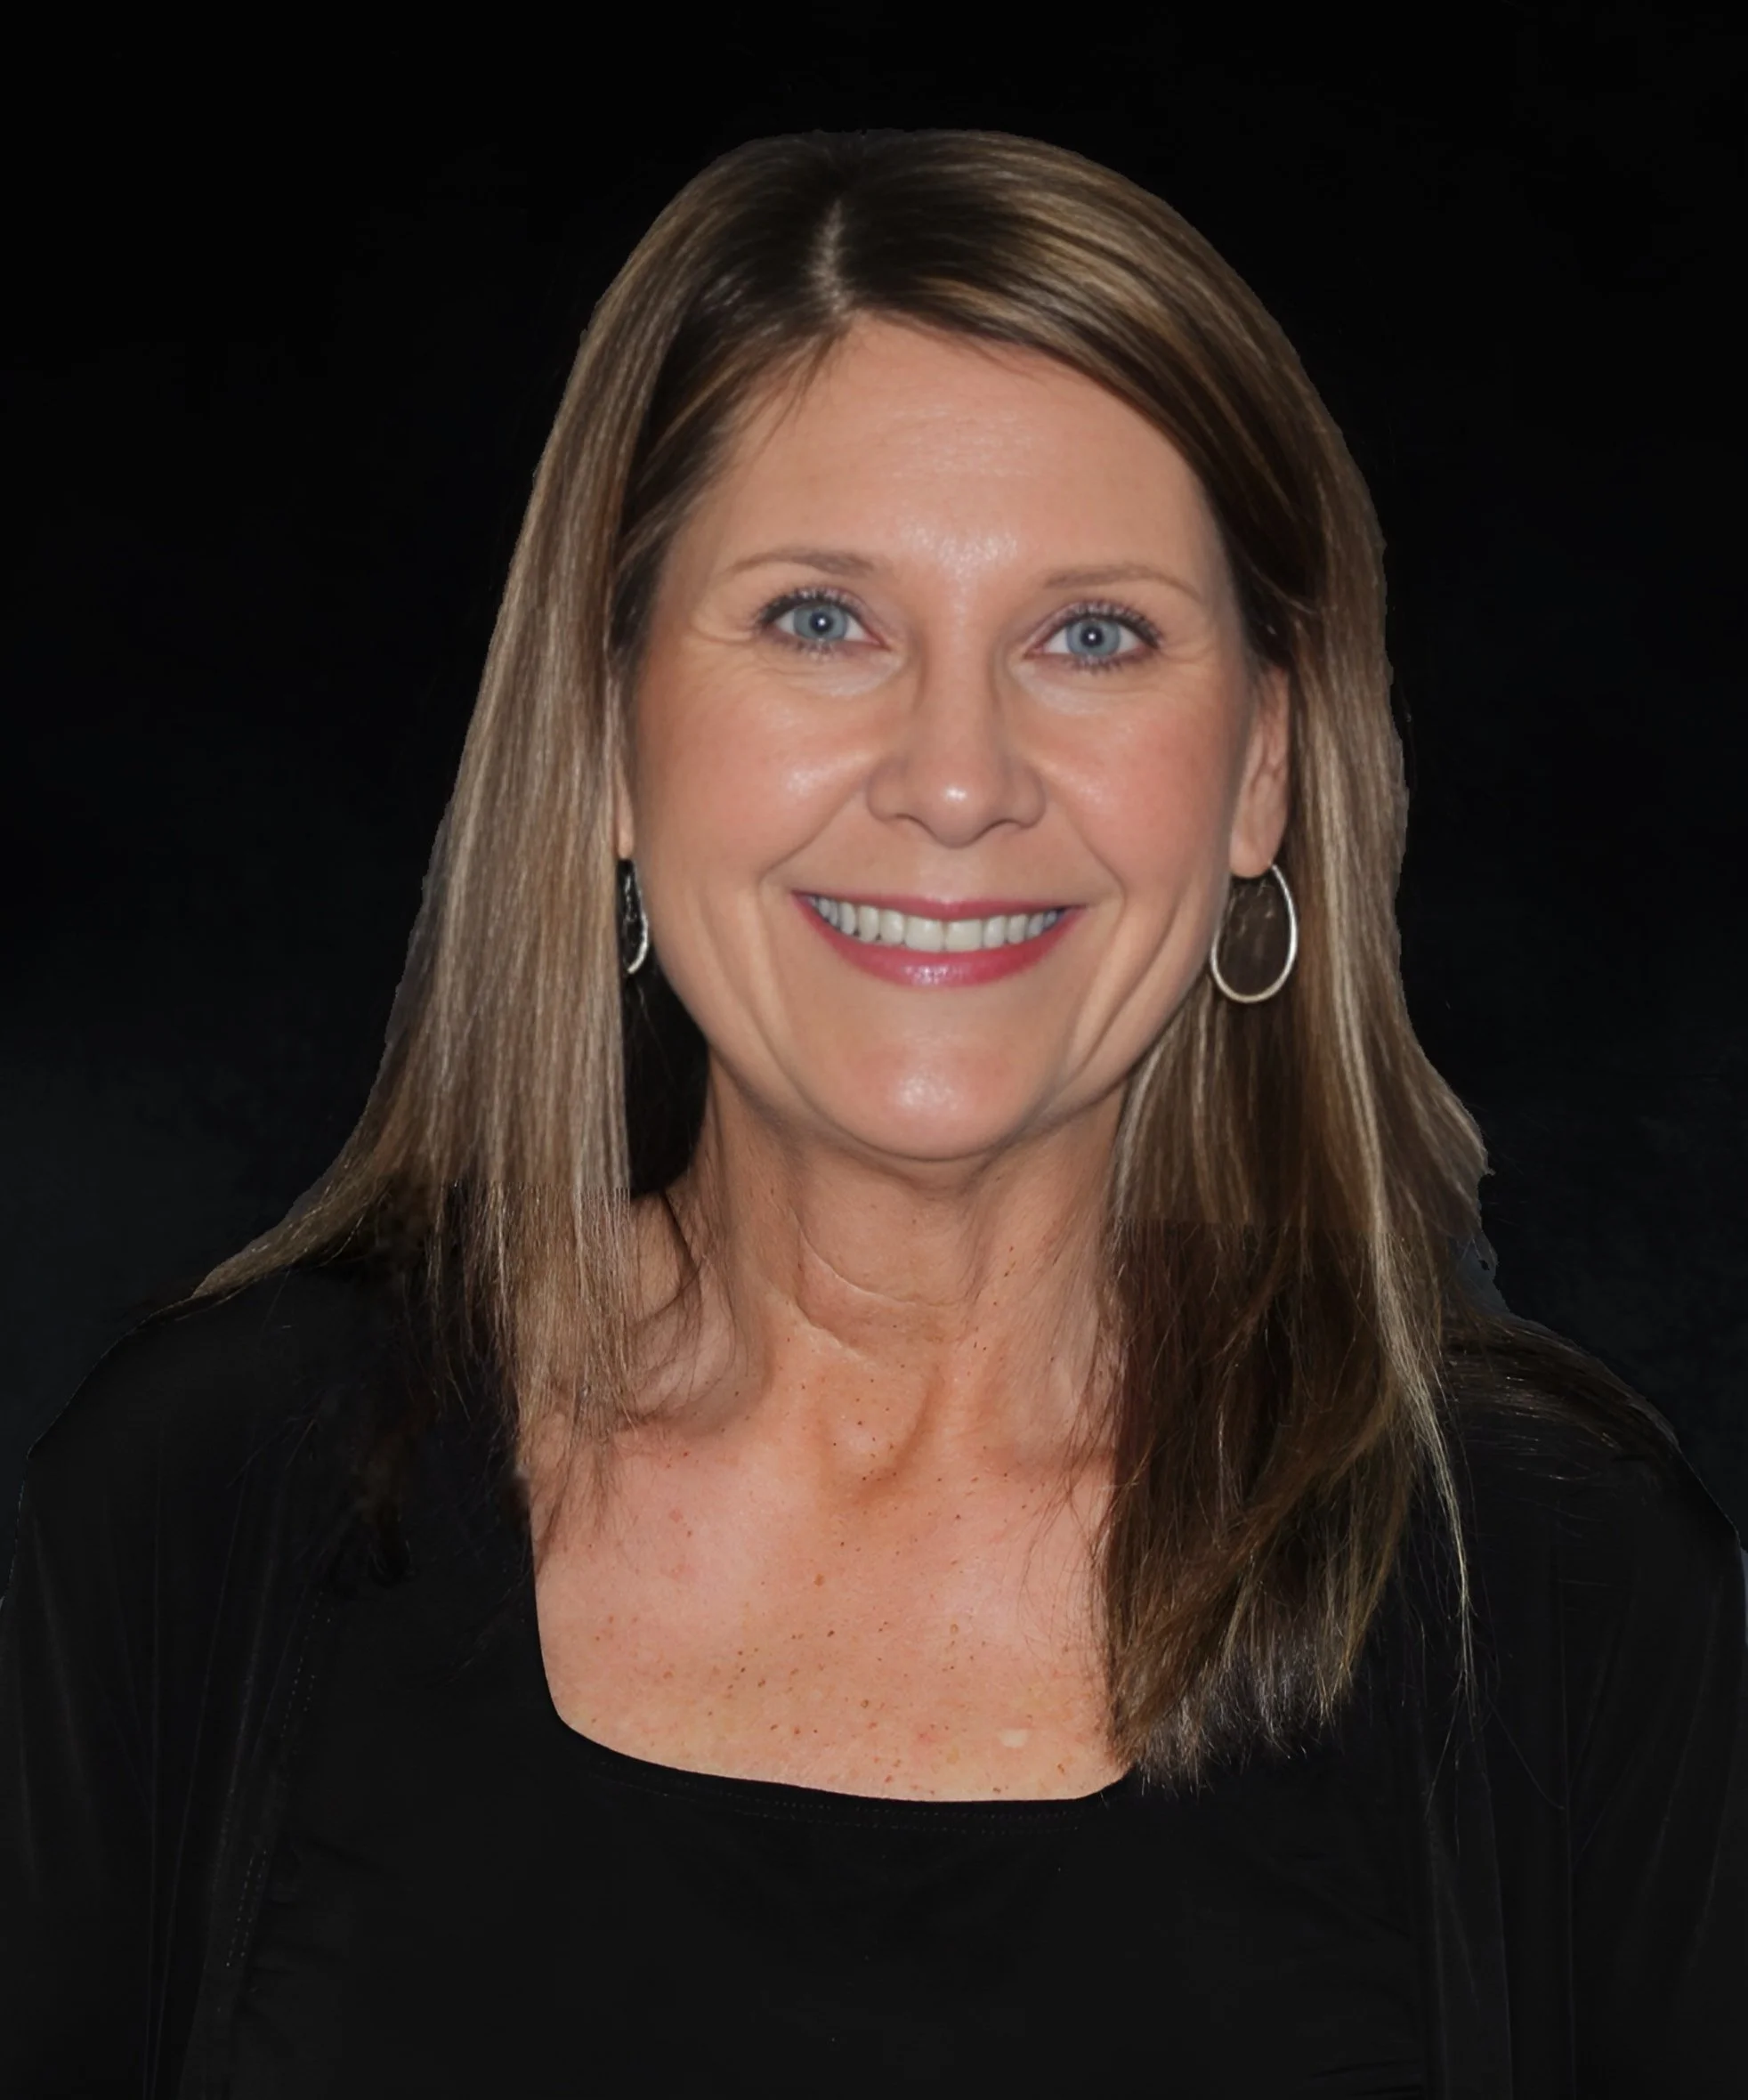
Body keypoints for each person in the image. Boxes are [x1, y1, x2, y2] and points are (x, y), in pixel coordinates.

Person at [1, 128, 1742, 2096]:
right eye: (822, 619)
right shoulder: (211, 1503)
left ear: (1260, 769)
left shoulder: (1550, 1588)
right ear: (612, 736)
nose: (953, 775)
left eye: (1090, 636)